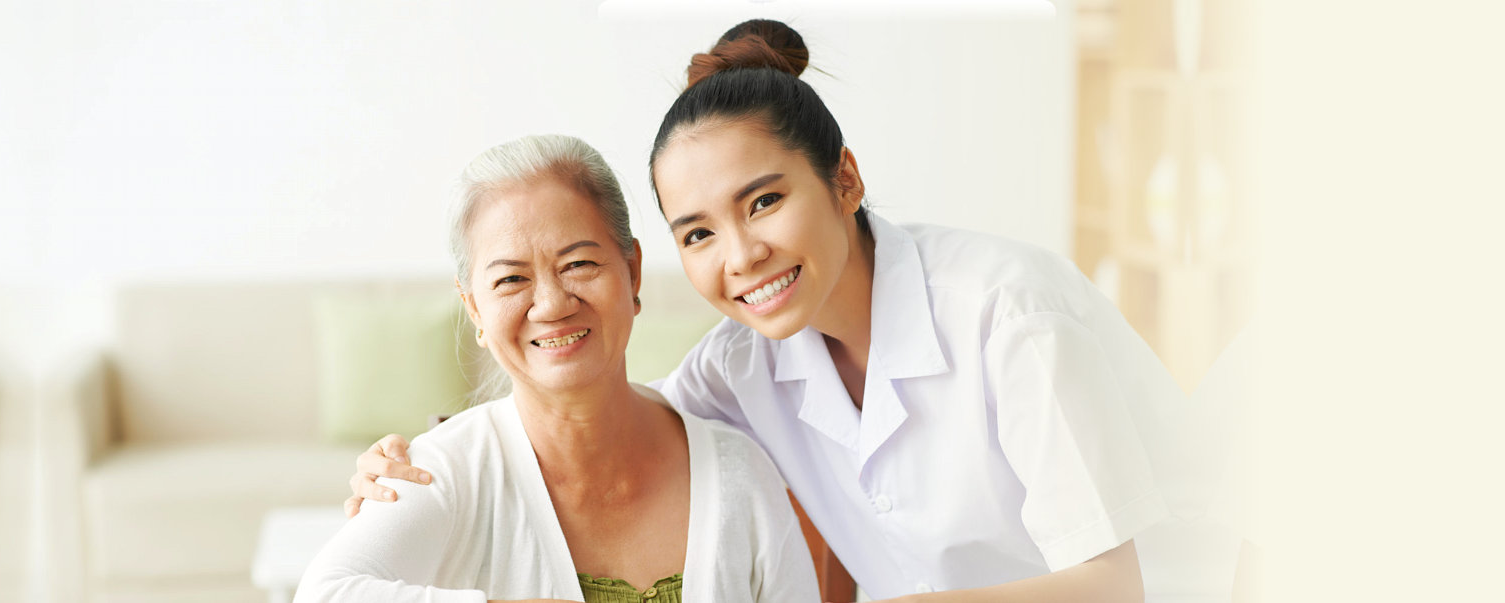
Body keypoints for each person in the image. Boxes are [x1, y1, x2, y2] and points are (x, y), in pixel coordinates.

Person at [350, 20, 1179, 603]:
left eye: (765, 201)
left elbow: (1116, 584)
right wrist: (420, 453)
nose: (740, 255)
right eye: (699, 232)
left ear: (844, 179)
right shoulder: (739, 366)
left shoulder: (1008, 312)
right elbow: (601, 415)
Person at [296, 135, 818, 602]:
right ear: (474, 308)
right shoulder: (440, 470)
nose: (551, 304)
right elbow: (323, 595)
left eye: (579, 264)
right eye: (509, 280)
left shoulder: (738, 471)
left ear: (632, 272)